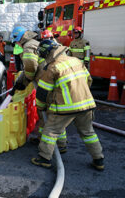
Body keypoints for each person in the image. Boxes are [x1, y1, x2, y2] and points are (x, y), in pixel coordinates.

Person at [31, 39, 104, 171]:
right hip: (86, 104)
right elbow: (89, 80)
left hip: (65, 108)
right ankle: (98, 159)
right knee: (88, 133)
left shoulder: (52, 68)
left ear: (46, 54)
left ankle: (44, 159)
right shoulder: (77, 61)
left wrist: (41, 107)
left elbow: (43, 92)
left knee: (50, 131)